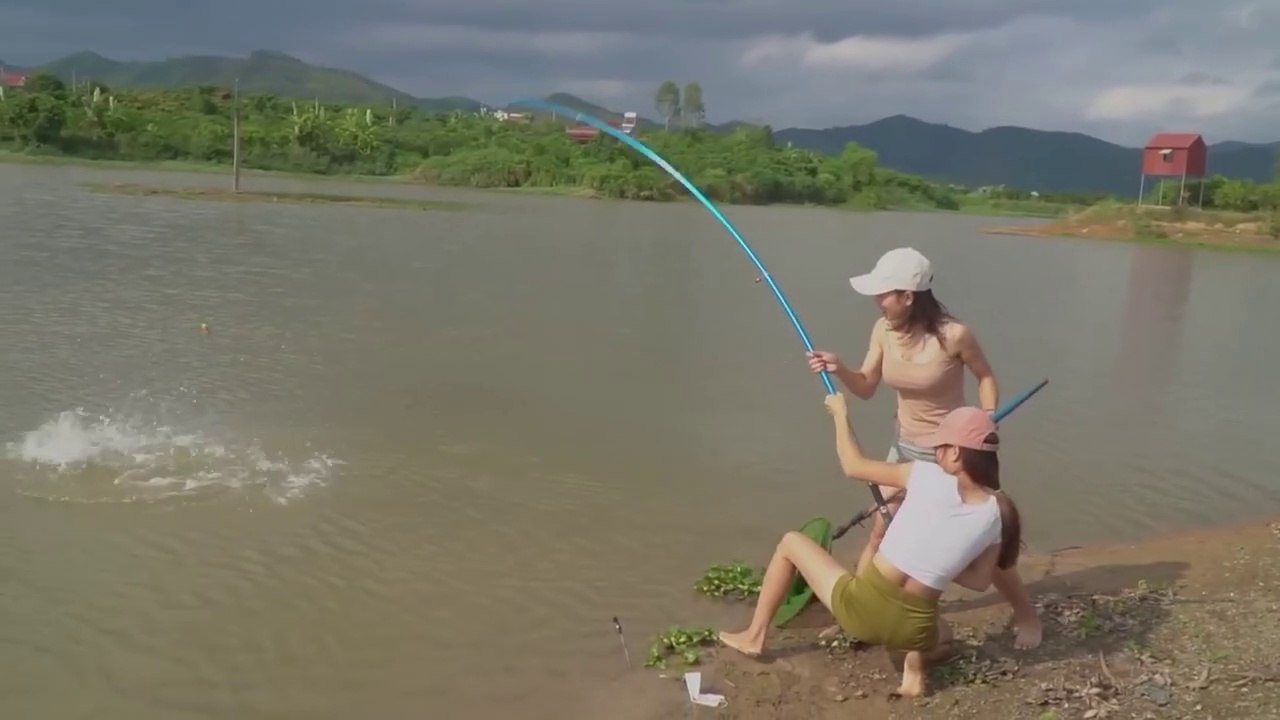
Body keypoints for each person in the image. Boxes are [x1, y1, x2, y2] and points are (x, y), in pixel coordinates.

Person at [804, 246, 1041, 649]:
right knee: (882, 533)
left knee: (982, 543)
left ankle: (1028, 618)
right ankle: (858, 614)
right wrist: (838, 367)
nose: (877, 302)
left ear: (908, 296)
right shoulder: (883, 331)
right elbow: (864, 386)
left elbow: (985, 376)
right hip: (906, 449)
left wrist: (986, 416)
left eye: (883, 294)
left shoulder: (954, 335)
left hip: (953, 455)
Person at [719, 395, 1022, 698]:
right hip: (913, 631)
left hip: (861, 614)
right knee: (942, 635)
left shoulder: (923, 473)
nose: (934, 451)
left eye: (940, 446)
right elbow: (981, 582)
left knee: (790, 543)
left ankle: (754, 637)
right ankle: (913, 675)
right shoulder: (995, 514)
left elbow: (853, 466)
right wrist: (941, 558)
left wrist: (840, 414)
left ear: (956, 453)